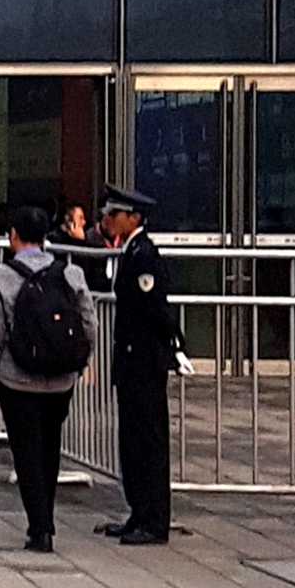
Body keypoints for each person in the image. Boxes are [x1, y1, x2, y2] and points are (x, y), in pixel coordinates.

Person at [0, 203, 92, 554]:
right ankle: (46, 516)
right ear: (45, 237)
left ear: (12, 236)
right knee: (50, 446)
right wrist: (79, 363)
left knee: (26, 451)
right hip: (61, 378)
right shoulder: (70, 273)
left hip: (17, 378)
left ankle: (39, 526)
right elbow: (88, 322)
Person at [93, 185, 186, 545]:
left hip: (145, 359)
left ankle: (154, 519)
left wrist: (174, 344)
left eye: (114, 214)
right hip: (131, 359)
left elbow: (154, 308)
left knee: (148, 441)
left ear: (133, 218)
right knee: (131, 440)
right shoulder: (130, 251)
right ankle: (138, 512)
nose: (107, 219)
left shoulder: (144, 255)